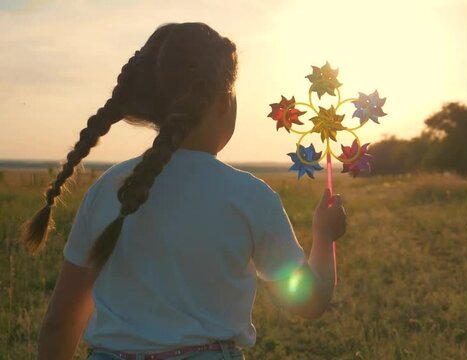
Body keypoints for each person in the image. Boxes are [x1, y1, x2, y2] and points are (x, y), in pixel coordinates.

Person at [21, 22, 346, 360]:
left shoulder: (108, 189)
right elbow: (309, 302)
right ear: (223, 101)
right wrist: (324, 237)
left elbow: (59, 325)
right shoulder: (250, 197)